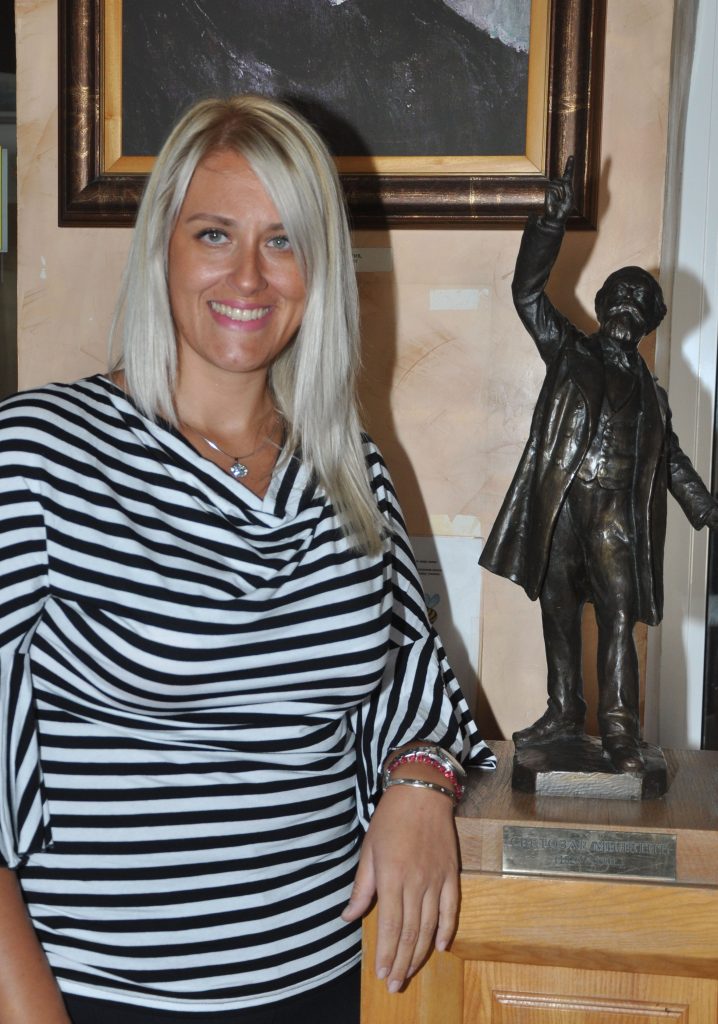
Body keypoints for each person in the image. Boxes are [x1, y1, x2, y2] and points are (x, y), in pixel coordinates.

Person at [0, 96, 495, 1023]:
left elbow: (416, 687)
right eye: (215, 233)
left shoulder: (349, 466)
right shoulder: (39, 453)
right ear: (162, 246)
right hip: (101, 996)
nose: (248, 276)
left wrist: (422, 786)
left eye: (283, 241)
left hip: (329, 983)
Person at [479, 157, 718, 773]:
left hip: (617, 516)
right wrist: (549, 224)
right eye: (623, 296)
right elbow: (526, 293)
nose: (629, 306)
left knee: (617, 616)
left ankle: (618, 730)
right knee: (557, 608)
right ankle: (564, 710)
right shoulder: (568, 350)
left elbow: (671, 460)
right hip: (561, 503)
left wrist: (706, 508)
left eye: (642, 302)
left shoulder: (654, 396)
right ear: (606, 303)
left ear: (649, 322)